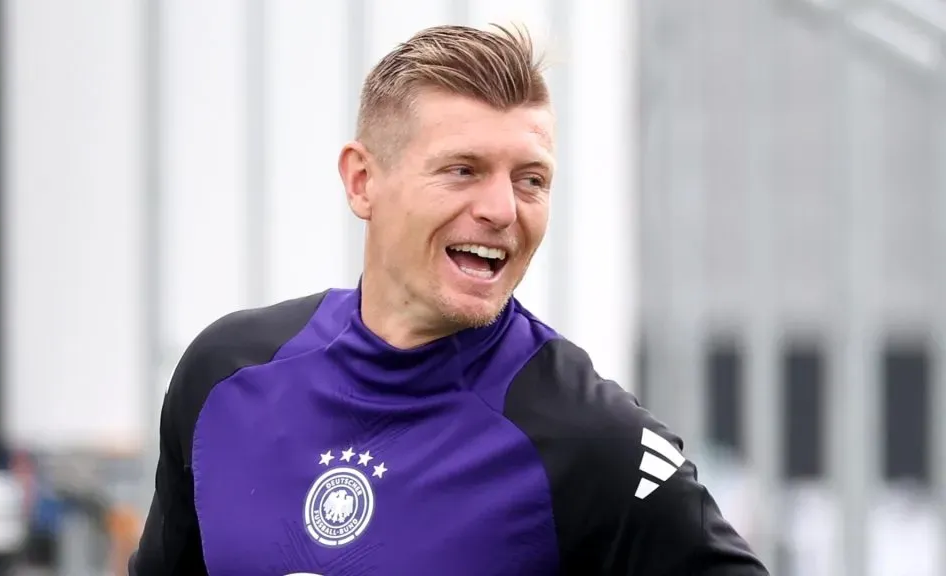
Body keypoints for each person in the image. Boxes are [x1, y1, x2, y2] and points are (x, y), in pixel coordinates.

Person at [129, 23, 769, 576]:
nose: (501, 210)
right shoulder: (225, 375)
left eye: (531, 180)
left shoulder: (593, 439)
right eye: (463, 169)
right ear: (362, 180)